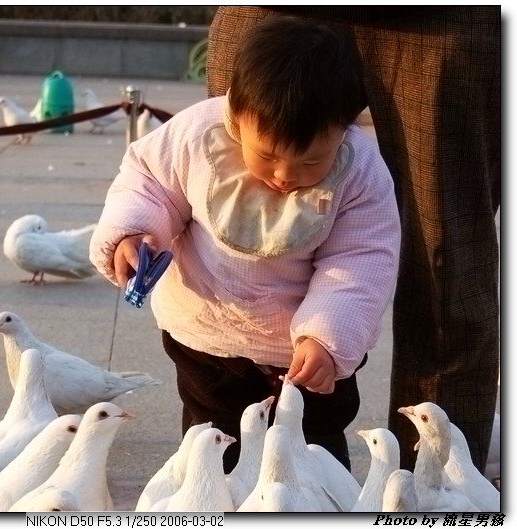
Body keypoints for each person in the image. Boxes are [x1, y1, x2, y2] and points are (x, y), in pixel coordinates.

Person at [89, 15, 401, 472]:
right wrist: (132, 235)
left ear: (346, 128)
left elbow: (361, 259)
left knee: (312, 448)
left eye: (312, 160)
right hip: (207, 334)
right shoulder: (198, 134)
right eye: (268, 154)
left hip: (301, 353)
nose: (285, 175)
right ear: (236, 114)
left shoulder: (359, 172)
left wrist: (328, 336)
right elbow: (149, 183)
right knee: (213, 441)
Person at [205, 6, 501, 473]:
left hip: (443, 19)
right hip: (273, 13)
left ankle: (437, 495)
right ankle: (239, 477)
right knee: (237, 243)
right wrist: (134, 226)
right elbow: (157, 169)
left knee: (447, 269)